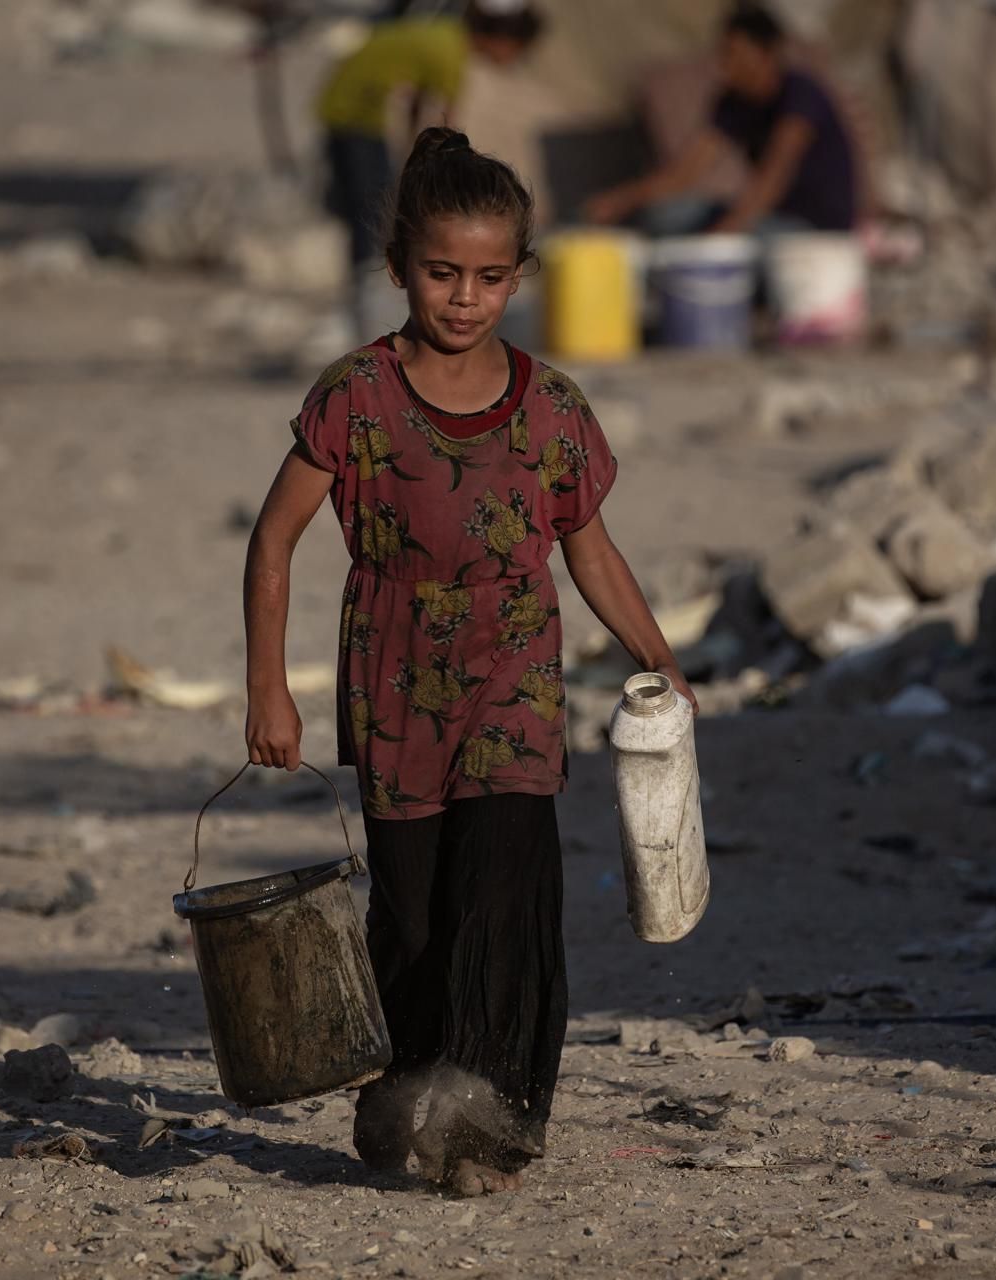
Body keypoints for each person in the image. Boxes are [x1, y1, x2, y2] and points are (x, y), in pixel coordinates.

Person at [243, 127, 696, 1196]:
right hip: (394, 678)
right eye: (444, 272)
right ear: (401, 265)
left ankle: (490, 1122)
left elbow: (588, 544)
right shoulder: (355, 398)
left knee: (507, 888)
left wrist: (660, 662)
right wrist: (270, 688)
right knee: (414, 913)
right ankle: (406, 1085)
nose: (465, 297)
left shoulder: (551, 410)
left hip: (516, 678)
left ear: (521, 277)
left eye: (491, 277)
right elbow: (274, 539)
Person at [318, 2, 544, 331]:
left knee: (364, 207)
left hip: (343, 105)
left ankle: (363, 296)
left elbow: (420, 106)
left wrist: (414, 153)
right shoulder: (451, 53)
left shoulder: (442, 36)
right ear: (503, 39)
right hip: (358, 113)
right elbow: (447, 125)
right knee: (370, 209)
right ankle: (366, 300)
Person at [584, 3, 858, 242]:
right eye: (725, 54)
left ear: (767, 55)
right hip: (768, 216)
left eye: (737, 55)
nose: (727, 66)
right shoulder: (734, 102)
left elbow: (773, 178)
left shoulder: (800, 94)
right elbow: (685, 172)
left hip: (813, 229)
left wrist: (724, 234)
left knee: (752, 238)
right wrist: (621, 201)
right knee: (668, 214)